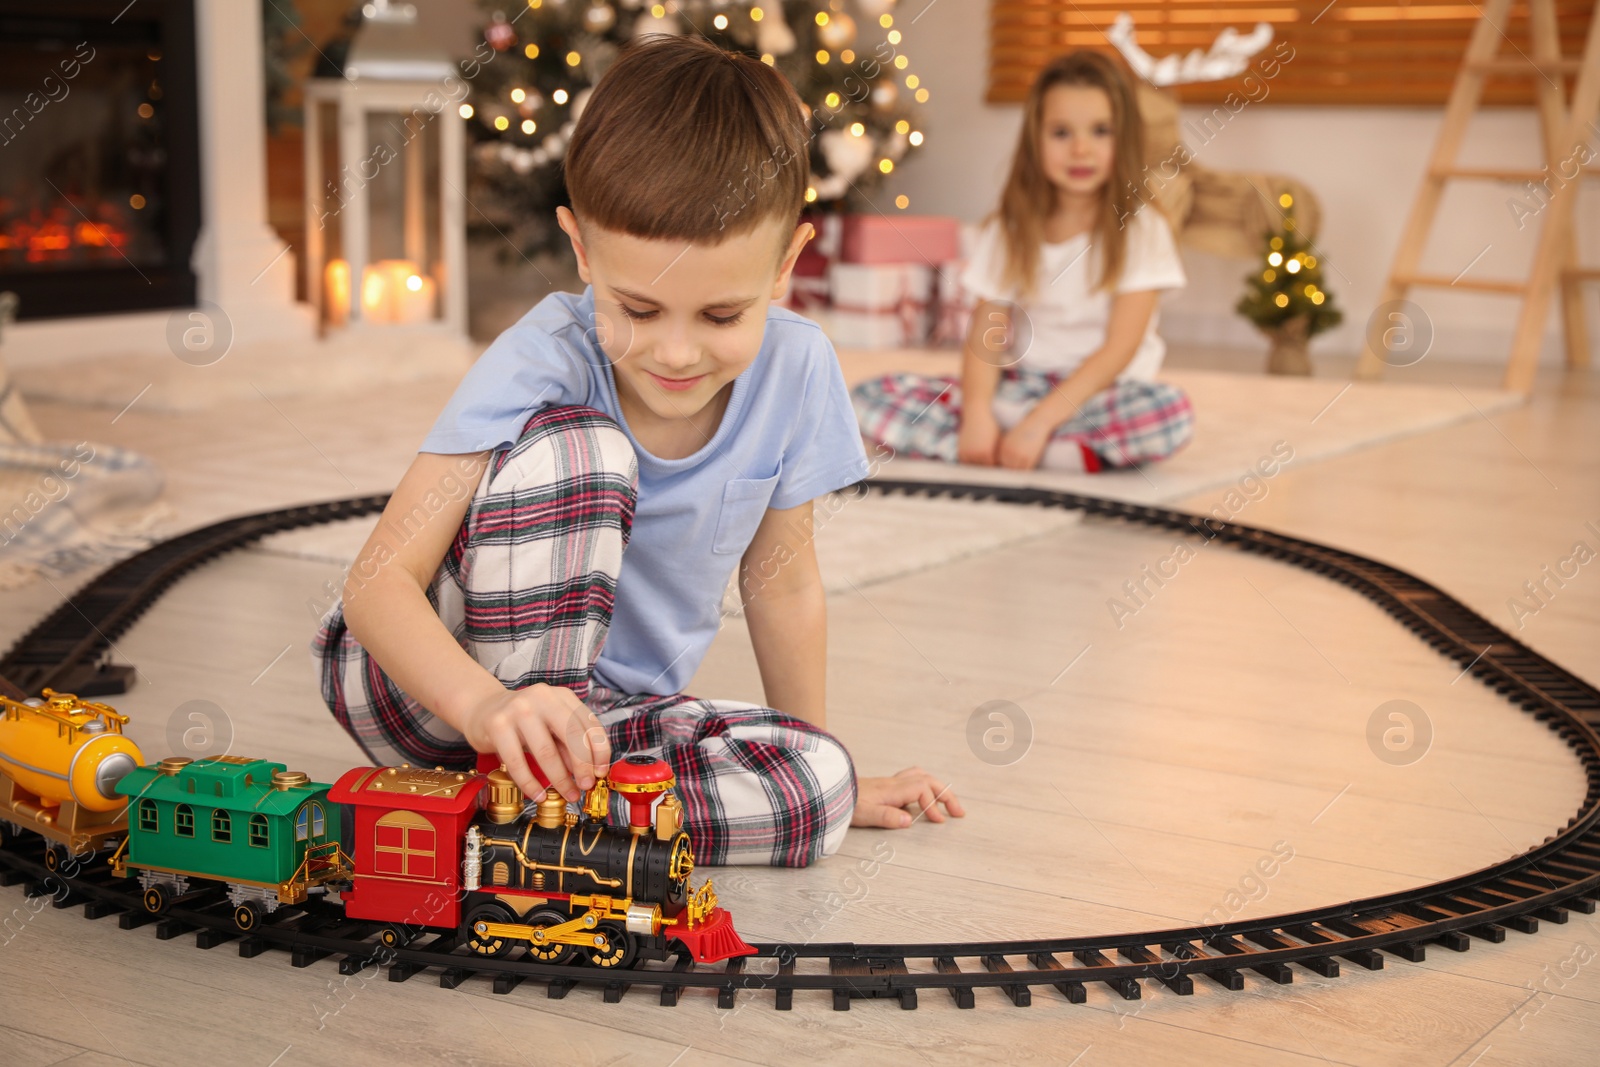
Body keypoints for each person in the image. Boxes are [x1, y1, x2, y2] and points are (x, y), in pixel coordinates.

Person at [309, 35, 963, 867]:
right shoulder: (546, 355)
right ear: (581, 249)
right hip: (425, 685)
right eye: (639, 310)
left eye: (720, 317)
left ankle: (546, 804)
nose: (678, 353)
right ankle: (518, 781)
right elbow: (376, 585)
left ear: (786, 263)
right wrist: (485, 710)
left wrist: (822, 757)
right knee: (584, 452)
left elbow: (785, 587)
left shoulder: (799, 368)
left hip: (602, 719)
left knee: (819, 782)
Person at [852, 50, 1195, 473]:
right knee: (870, 396)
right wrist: (978, 412)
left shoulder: (1143, 229)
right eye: (1061, 133)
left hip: (1099, 394)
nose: (1081, 149)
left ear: (1123, 139)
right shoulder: (1011, 228)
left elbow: (1120, 348)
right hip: (1019, 389)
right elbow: (987, 335)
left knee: (1168, 414)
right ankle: (1027, 445)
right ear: (1035, 138)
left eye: (1101, 131)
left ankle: (1039, 444)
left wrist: (1039, 423)